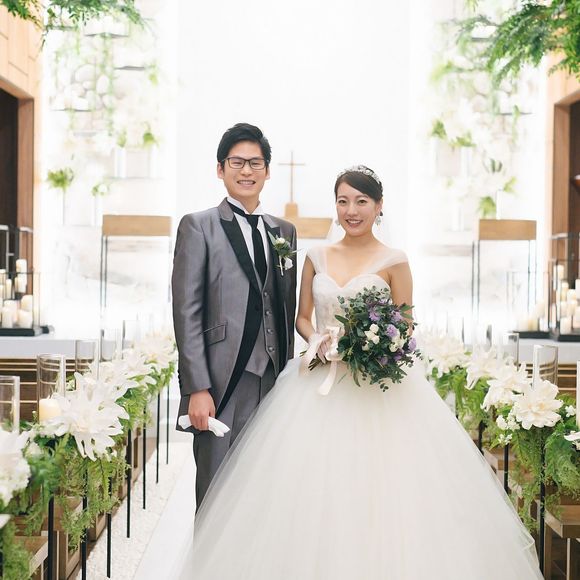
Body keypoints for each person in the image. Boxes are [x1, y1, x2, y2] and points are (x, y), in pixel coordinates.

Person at [175, 165, 542, 579]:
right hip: (318, 383)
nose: (352, 210)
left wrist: (374, 345)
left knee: (382, 489)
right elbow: (301, 317)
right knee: (307, 490)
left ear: (378, 206)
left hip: (377, 388)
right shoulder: (316, 256)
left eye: (361, 201)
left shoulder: (395, 261)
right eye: (343, 201)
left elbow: (405, 323)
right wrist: (318, 340)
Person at [172, 122, 297, 507]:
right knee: (217, 496)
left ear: (267, 171)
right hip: (220, 383)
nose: (247, 171)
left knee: (266, 494)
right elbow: (187, 311)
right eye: (237, 162)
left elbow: (285, 304)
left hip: (273, 381)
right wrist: (197, 388)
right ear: (220, 169)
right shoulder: (198, 226)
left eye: (255, 163)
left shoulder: (284, 232)